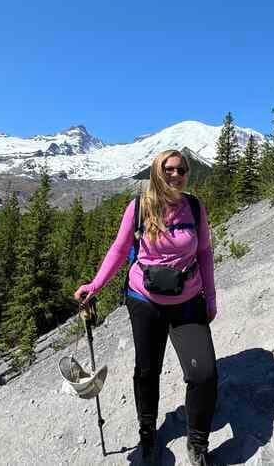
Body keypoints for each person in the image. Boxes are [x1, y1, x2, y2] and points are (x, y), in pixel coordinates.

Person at [74, 149, 218, 466]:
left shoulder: (194, 207)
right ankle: (148, 433)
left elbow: (205, 252)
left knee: (204, 374)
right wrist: (95, 285)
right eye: (169, 169)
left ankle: (198, 444)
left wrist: (210, 298)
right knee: (146, 370)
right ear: (156, 171)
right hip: (144, 301)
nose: (176, 175)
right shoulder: (139, 206)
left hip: (188, 301)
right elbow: (120, 248)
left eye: (182, 170)